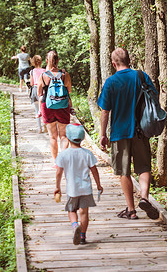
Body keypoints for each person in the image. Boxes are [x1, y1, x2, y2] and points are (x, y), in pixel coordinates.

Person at [97, 47, 159, 220]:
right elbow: (154, 98)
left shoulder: (111, 82)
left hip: (119, 133)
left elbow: (105, 111)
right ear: (129, 60)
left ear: (113, 63)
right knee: (144, 167)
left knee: (124, 172)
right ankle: (145, 198)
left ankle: (131, 210)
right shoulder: (141, 76)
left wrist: (103, 134)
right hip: (141, 131)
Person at [54, 124, 103, 245]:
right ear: (82, 138)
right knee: (84, 213)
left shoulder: (63, 155)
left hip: (72, 190)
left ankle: (75, 225)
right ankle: (82, 237)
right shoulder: (87, 153)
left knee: (71, 210)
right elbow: (94, 171)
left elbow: (59, 172)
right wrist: (98, 185)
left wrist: (57, 187)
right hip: (86, 189)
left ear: (68, 138)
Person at [37, 50, 72, 166]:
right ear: (58, 61)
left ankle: (56, 162)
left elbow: (39, 93)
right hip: (63, 106)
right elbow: (69, 90)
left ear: (47, 61)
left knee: (53, 136)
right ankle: (64, 161)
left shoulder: (43, 76)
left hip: (48, 107)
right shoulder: (64, 75)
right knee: (63, 136)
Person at [29, 55, 46, 133]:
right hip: (43, 90)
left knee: (37, 110)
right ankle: (45, 125)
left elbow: (32, 83)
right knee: (44, 109)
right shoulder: (45, 71)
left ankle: (39, 128)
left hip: (35, 90)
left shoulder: (32, 72)